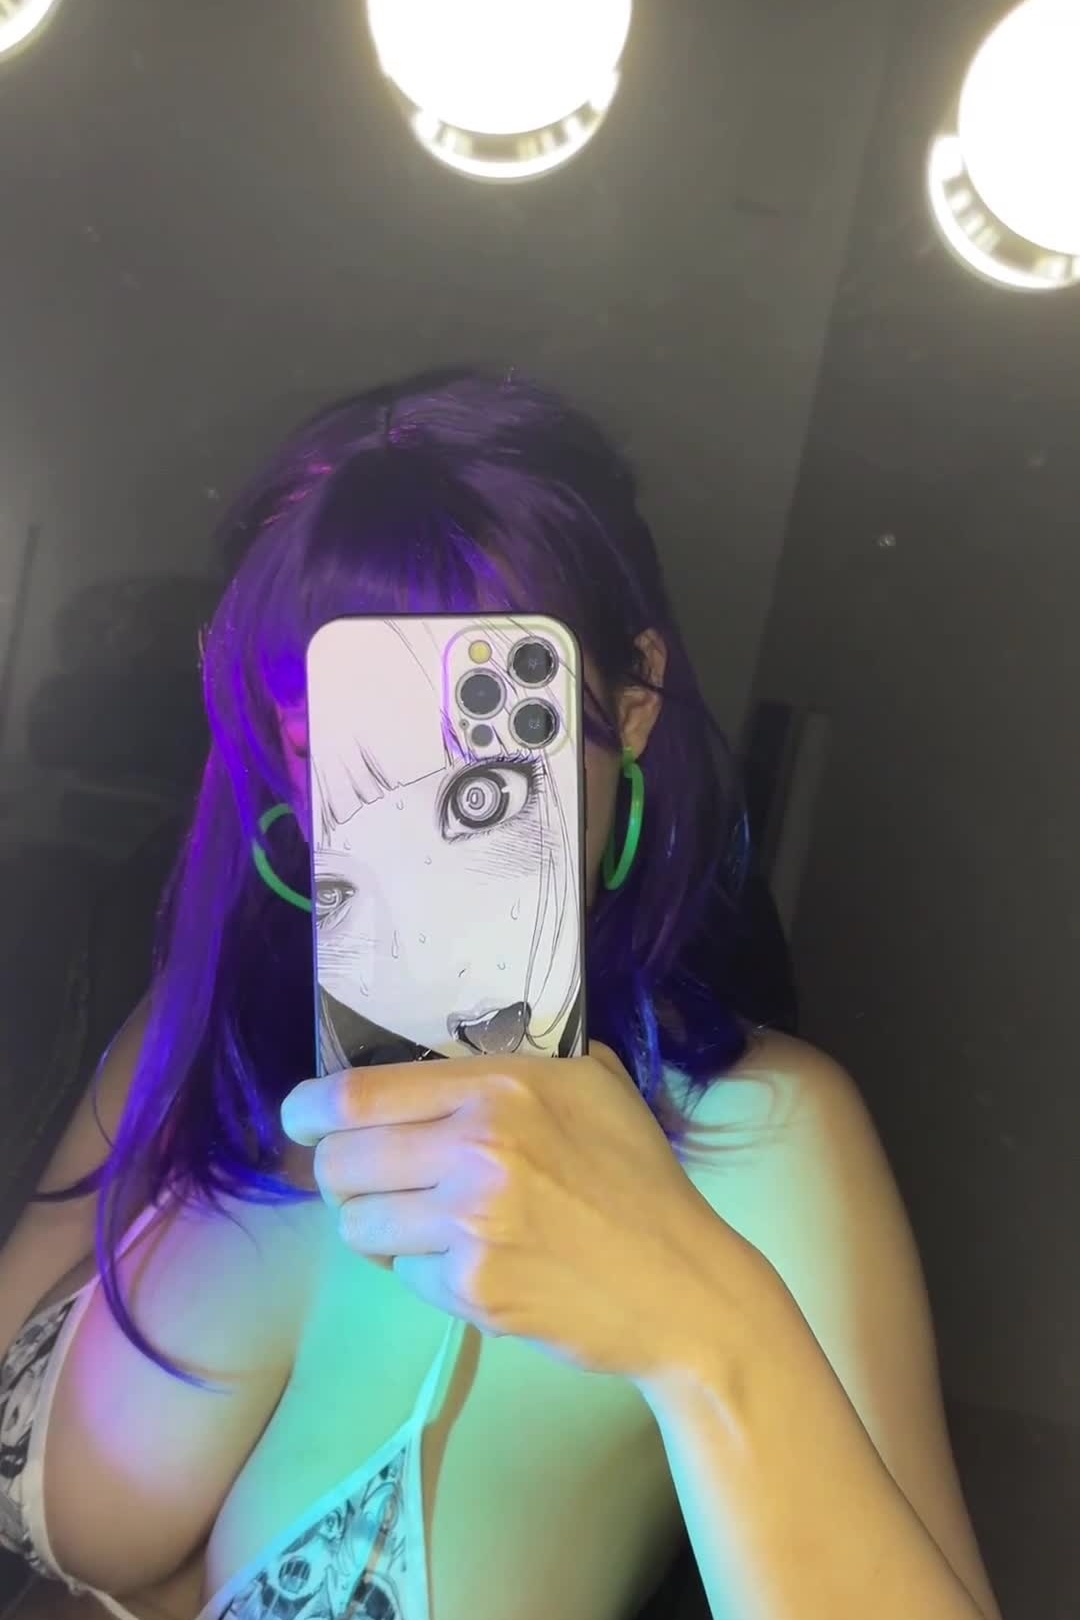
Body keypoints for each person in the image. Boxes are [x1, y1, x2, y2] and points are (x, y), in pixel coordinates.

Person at [0, 369, 1001, 1620]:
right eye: (345, 733)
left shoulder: (759, 1137)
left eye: (476, 721)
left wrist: (704, 1333)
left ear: (632, 702)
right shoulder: (203, 1025)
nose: (417, 806)